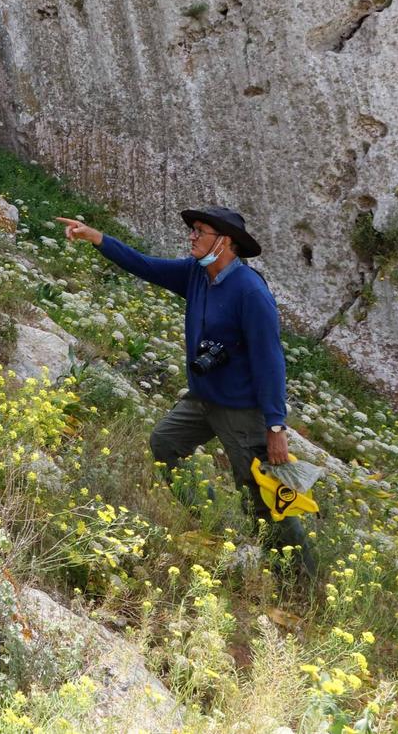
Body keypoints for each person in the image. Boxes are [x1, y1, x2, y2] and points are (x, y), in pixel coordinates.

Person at [58, 205, 316, 572]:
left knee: (262, 495)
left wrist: (276, 426)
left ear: (224, 241)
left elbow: (270, 360)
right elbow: (144, 265)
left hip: (242, 411)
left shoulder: (250, 292)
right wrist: (97, 238)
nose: (192, 236)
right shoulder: (196, 275)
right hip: (203, 400)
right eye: (192, 230)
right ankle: (214, 520)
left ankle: (300, 577)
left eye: (199, 231)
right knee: (164, 445)